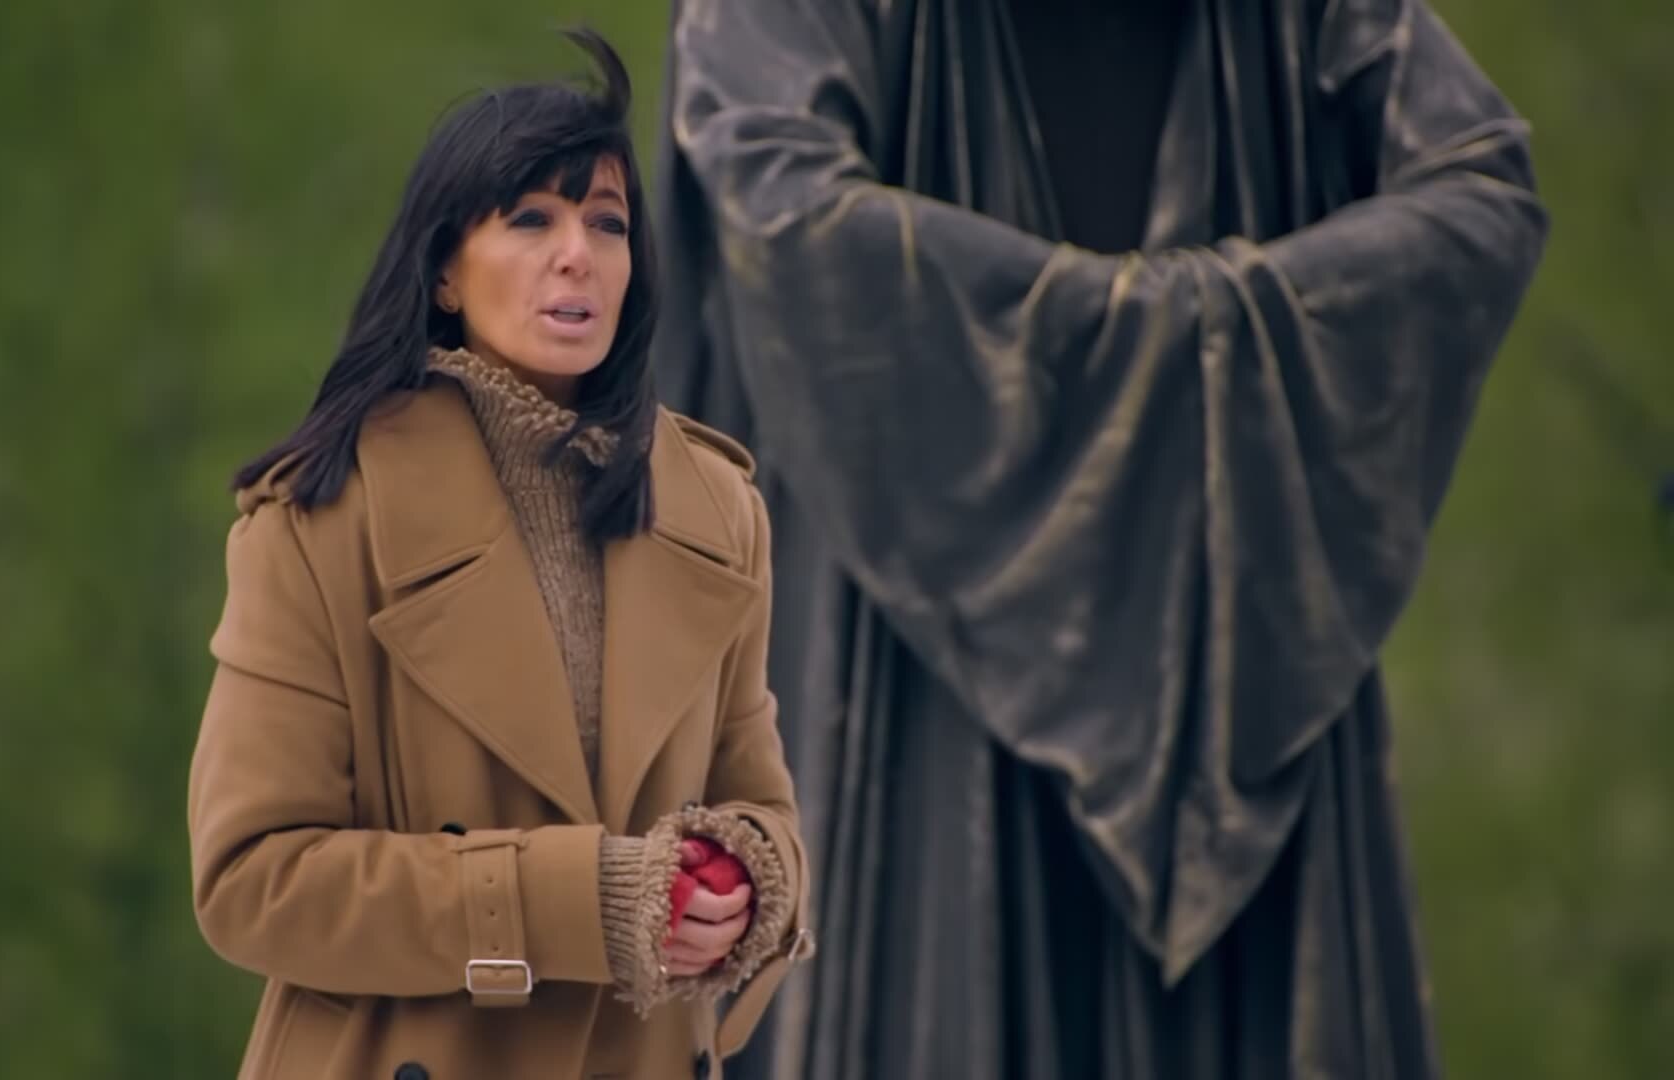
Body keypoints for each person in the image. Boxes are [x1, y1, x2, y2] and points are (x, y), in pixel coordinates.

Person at [653, 0, 1546, 1077]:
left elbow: (1478, 185)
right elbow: (779, 208)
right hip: (922, 661)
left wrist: (1173, 335)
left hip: (1225, 666)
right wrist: (1197, 345)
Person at [188, 30, 810, 1079]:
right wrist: (581, 901)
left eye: (606, 222)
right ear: (444, 271)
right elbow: (252, 881)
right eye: (531, 218)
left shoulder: (718, 511)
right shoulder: (321, 518)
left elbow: (761, 800)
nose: (578, 252)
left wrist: (748, 881)